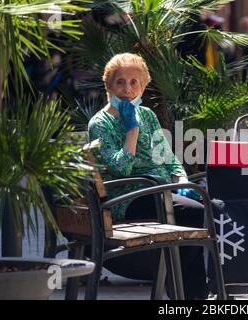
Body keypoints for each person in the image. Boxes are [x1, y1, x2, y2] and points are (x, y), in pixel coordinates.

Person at [88, 53, 208, 299]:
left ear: (143, 86)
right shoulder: (100, 124)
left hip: (159, 191)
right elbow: (120, 169)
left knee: (206, 205)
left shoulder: (147, 115)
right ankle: (185, 292)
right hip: (129, 198)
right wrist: (132, 130)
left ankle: (189, 293)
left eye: (134, 82)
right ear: (108, 85)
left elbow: (167, 158)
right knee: (196, 213)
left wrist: (181, 179)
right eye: (120, 82)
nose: (127, 89)